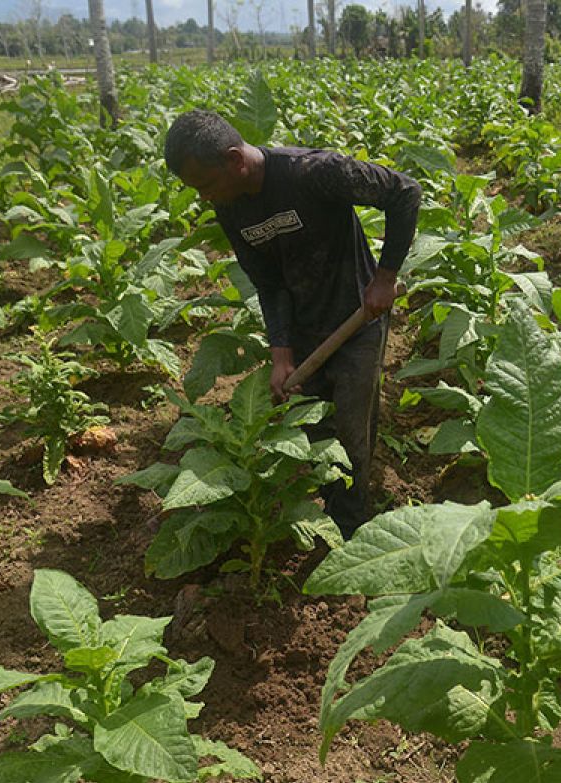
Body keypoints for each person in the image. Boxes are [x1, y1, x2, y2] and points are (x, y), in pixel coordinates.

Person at [163, 110, 422, 538]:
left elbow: (405, 192)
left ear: (234, 160)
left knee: (352, 437)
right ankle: (321, 518)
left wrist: (385, 278)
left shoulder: (313, 172)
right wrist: (281, 355)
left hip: (358, 320)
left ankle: (353, 536)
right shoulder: (230, 209)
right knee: (313, 434)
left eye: (205, 186)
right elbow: (268, 282)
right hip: (304, 331)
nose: (205, 198)